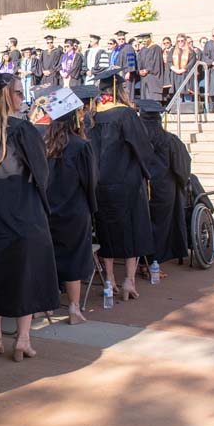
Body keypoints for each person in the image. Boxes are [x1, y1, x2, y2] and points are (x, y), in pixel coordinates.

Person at [0, 73, 58, 362]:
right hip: (25, 213)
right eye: (18, 92)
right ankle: (23, 339)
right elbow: (41, 173)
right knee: (24, 277)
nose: (23, 97)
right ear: (6, 96)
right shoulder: (23, 130)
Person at [88, 68, 153, 301]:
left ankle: (109, 279)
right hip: (126, 182)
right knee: (131, 229)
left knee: (106, 229)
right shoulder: (126, 114)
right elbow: (141, 146)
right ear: (119, 90)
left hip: (99, 183)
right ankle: (129, 280)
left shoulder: (92, 116)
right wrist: (147, 170)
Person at [36, 89, 97, 325]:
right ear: (74, 118)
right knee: (74, 258)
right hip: (74, 210)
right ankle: (73, 307)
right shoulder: (81, 146)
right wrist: (91, 207)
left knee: (48, 258)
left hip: (47, 210)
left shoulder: (42, 145)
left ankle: (46, 305)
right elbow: (91, 181)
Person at [137, 100, 190, 270]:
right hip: (165, 188)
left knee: (143, 224)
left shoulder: (136, 141)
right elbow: (181, 167)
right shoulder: (170, 140)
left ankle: (144, 261)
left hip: (141, 188)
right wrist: (181, 182)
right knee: (161, 225)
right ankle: (155, 262)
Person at [166, 34, 198, 100]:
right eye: (178, 41)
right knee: (177, 96)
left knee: (187, 96)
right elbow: (169, 62)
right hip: (175, 75)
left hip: (186, 75)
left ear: (185, 41)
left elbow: (191, 63)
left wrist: (182, 70)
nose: (180, 42)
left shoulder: (191, 51)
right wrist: (176, 70)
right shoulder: (173, 51)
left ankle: (187, 106)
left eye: (182, 41)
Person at [135, 32, 164, 101]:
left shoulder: (156, 48)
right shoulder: (142, 49)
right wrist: (139, 71)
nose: (143, 41)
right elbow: (139, 62)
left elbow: (157, 63)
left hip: (153, 78)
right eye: (142, 40)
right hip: (144, 79)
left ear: (150, 39)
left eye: (145, 39)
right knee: (145, 99)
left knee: (152, 99)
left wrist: (147, 70)